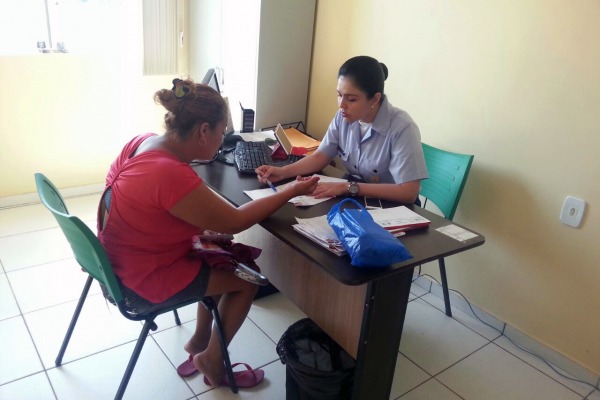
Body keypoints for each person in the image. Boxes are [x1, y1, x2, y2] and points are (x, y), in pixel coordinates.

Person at [97, 78, 319, 388]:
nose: (223, 138)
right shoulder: (169, 173)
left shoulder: (142, 143)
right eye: (222, 131)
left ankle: (199, 344)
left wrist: (199, 229)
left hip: (119, 264)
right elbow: (236, 221)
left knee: (218, 256)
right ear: (204, 131)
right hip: (141, 281)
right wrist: (291, 189)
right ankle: (213, 362)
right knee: (249, 278)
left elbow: (150, 211)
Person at [257, 55, 428, 205]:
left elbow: (408, 192)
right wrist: (282, 172)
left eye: (351, 99)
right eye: (339, 95)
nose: (342, 105)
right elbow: (320, 156)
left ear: (375, 99)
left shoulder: (402, 128)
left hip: (395, 210)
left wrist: (348, 187)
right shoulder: (344, 117)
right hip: (358, 201)